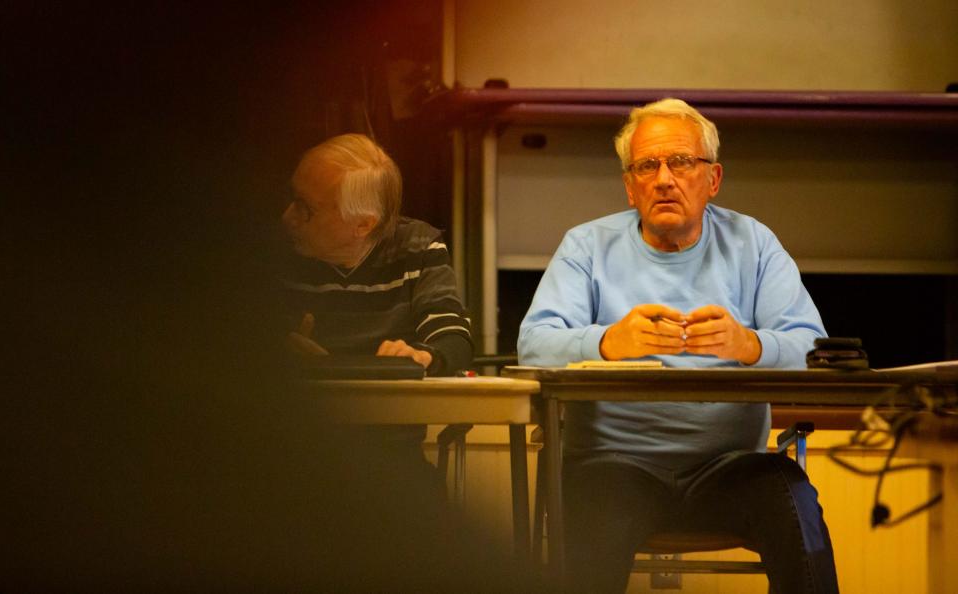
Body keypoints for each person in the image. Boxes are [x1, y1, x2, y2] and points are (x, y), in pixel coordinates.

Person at [518, 99, 839, 593]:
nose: (664, 178)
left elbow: (814, 350)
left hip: (731, 468)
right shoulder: (586, 247)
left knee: (795, 502)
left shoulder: (752, 244)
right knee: (587, 522)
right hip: (614, 466)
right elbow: (533, 346)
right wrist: (606, 342)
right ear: (630, 187)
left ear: (712, 179)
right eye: (648, 166)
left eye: (681, 162)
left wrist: (750, 344)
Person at [277, 133, 475, 589]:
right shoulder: (271, 253)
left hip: (388, 457)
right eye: (291, 199)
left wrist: (424, 354)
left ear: (361, 224)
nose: (287, 217)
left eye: (306, 208)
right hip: (284, 451)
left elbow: (453, 337)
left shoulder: (418, 248)